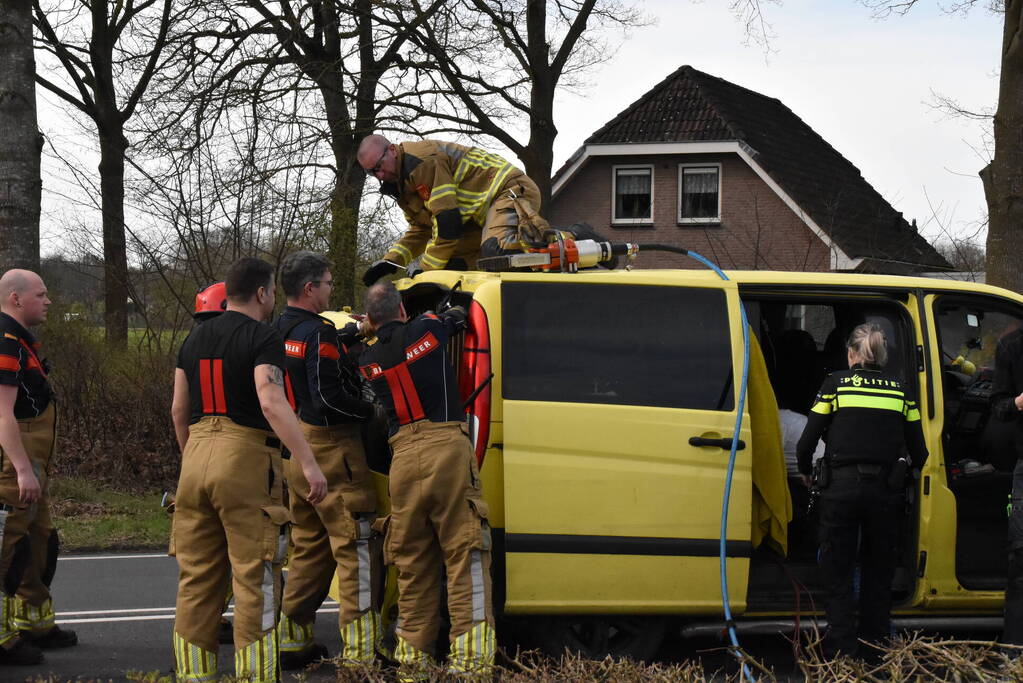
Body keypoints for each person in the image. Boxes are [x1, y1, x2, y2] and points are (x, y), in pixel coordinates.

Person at [170, 258, 327, 683]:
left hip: (196, 456)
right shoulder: (263, 336)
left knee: (197, 581)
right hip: (244, 458)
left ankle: (193, 677)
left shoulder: (194, 339)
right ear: (261, 293)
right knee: (255, 577)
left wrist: (193, 456)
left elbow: (179, 409)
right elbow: (271, 401)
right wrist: (309, 464)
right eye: (272, 291)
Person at [358, 282, 494, 678]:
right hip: (445, 450)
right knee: (464, 552)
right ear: (402, 309)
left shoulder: (368, 357)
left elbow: (385, 343)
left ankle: (413, 662)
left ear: (370, 319)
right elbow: (452, 320)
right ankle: (471, 661)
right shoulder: (426, 330)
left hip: (403, 459)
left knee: (413, 565)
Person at [273, 252, 382, 669]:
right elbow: (329, 397)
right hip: (333, 451)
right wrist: (370, 410)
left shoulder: (280, 328)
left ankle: (292, 638)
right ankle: (360, 653)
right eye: (328, 283)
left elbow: (312, 362)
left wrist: (357, 332)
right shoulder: (317, 334)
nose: (331, 290)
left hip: (295, 449)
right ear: (309, 288)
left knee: (309, 549)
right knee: (356, 549)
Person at [796, 323, 928, 658]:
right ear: (882, 355)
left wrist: (806, 472)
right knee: (878, 574)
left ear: (851, 354)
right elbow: (921, 452)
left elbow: (807, 442)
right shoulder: (900, 391)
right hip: (885, 493)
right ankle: (876, 654)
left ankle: (841, 657)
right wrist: (903, 474)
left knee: (838, 573)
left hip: (840, 490)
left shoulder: (835, 385)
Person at [0, 270, 78, 666]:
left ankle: (34, 622)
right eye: (41, 294)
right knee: (6, 548)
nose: (48, 301)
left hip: (31, 463)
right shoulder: (6, 341)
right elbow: (2, 412)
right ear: (16, 299)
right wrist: (22, 470)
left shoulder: (21, 341)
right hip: (15, 465)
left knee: (39, 541)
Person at [357, 134, 551, 283]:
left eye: (379, 166)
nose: (379, 175)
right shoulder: (402, 184)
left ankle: (560, 244)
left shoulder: (421, 162)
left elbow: (447, 223)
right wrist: (391, 261)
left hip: (508, 189)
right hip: (479, 217)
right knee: (452, 265)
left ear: (392, 150)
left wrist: (425, 270)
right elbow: (422, 229)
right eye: (372, 172)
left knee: (497, 248)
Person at [991, 323, 1023, 644]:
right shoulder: (1012, 346)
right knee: (1021, 563)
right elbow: (998, 406)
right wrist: (1016, 403)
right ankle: (1015, 657)